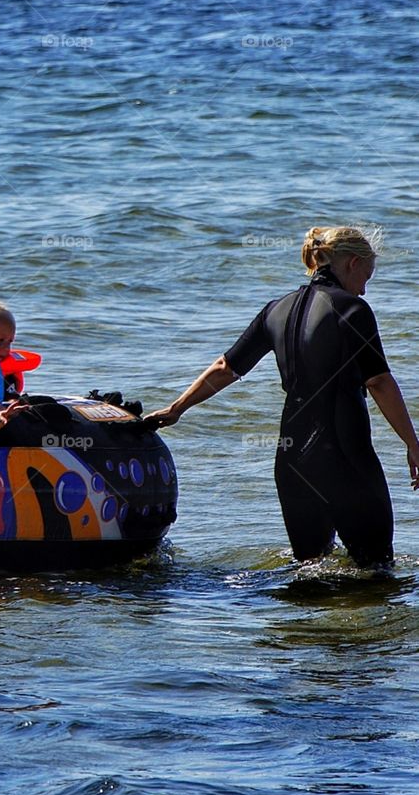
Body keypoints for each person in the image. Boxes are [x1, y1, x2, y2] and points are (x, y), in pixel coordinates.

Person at [147, 226, 419, 567]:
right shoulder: (352, 309)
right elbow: (378, 381)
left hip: (292, 464)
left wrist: (177, 409)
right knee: (377, 571)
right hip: (346, 460)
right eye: (367, 275)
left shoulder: (276, 309)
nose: (364, 289)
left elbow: (226, 367)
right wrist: (413, 444)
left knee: (309, 571)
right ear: (352, 263)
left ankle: (300, 623)